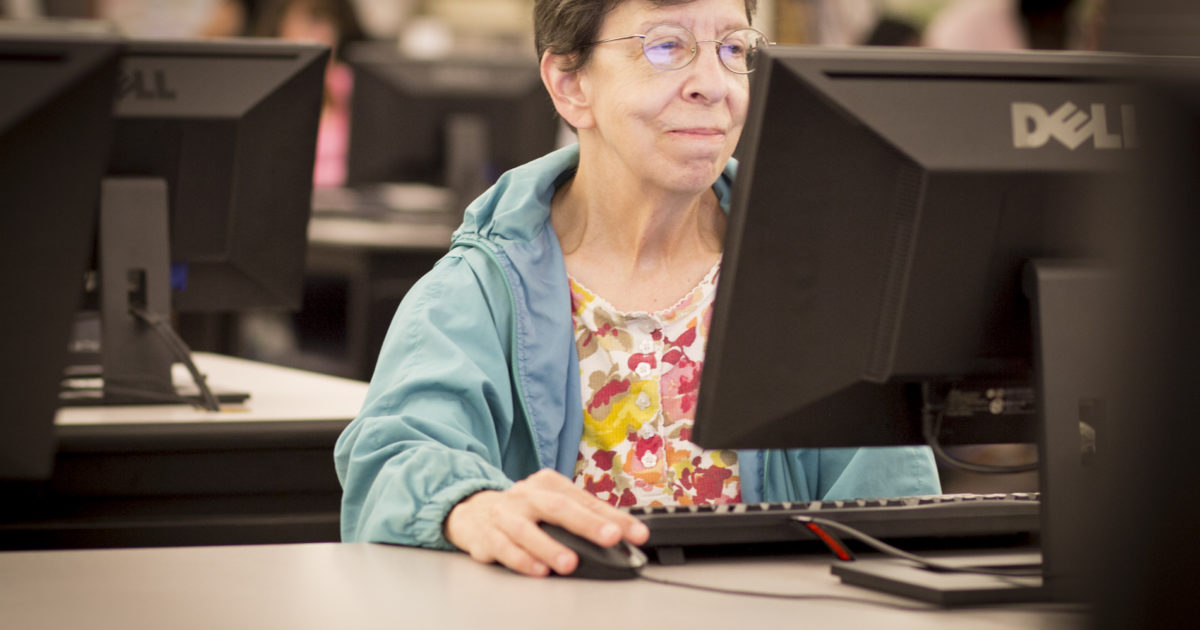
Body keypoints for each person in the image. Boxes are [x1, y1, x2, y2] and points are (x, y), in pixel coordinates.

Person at [335, 0, 941, 579]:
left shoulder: (823, 289)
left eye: (734, 48)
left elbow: (901, 521)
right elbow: (393, 460)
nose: (714, 83)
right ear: (571, 84)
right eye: (666, 46)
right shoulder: (476, 290)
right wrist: (466, 503)